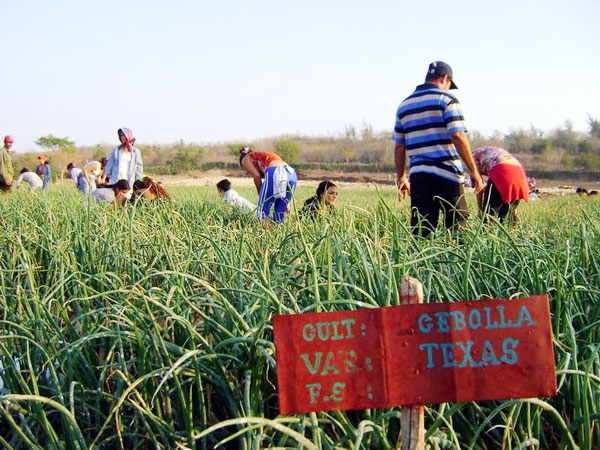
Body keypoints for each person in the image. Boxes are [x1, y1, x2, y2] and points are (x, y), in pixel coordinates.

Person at [393, 61, 483, 236]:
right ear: (444, 78)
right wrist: (474, 172)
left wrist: (402, 178)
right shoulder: (447, 100)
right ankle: (453, 263)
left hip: (419, 176)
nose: (449, 88)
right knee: (458, 229)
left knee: (422, 230)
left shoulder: (404, 105)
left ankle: (419, 263)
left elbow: (399, 147)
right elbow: (458, 135)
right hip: (447, 173)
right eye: (449, 84)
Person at [239, 147, 297, 223]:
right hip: (292, 174)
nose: (247, 171)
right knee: (279, 213)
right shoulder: (266, 156)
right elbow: (283, 173)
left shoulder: (245, 158)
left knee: (262, 213)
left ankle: (267, 231)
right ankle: (279, 231)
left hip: (276, 172)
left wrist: (261, 196)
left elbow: (257, 176)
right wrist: (287, 201)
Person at [471, 146, 529, 223]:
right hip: (520, 173)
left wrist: (480, 211)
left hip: (502, 170)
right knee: (503, 219)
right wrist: (513, 209)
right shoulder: (487, 152)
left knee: (488, 219)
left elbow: (479, 186)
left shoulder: (472, 158)